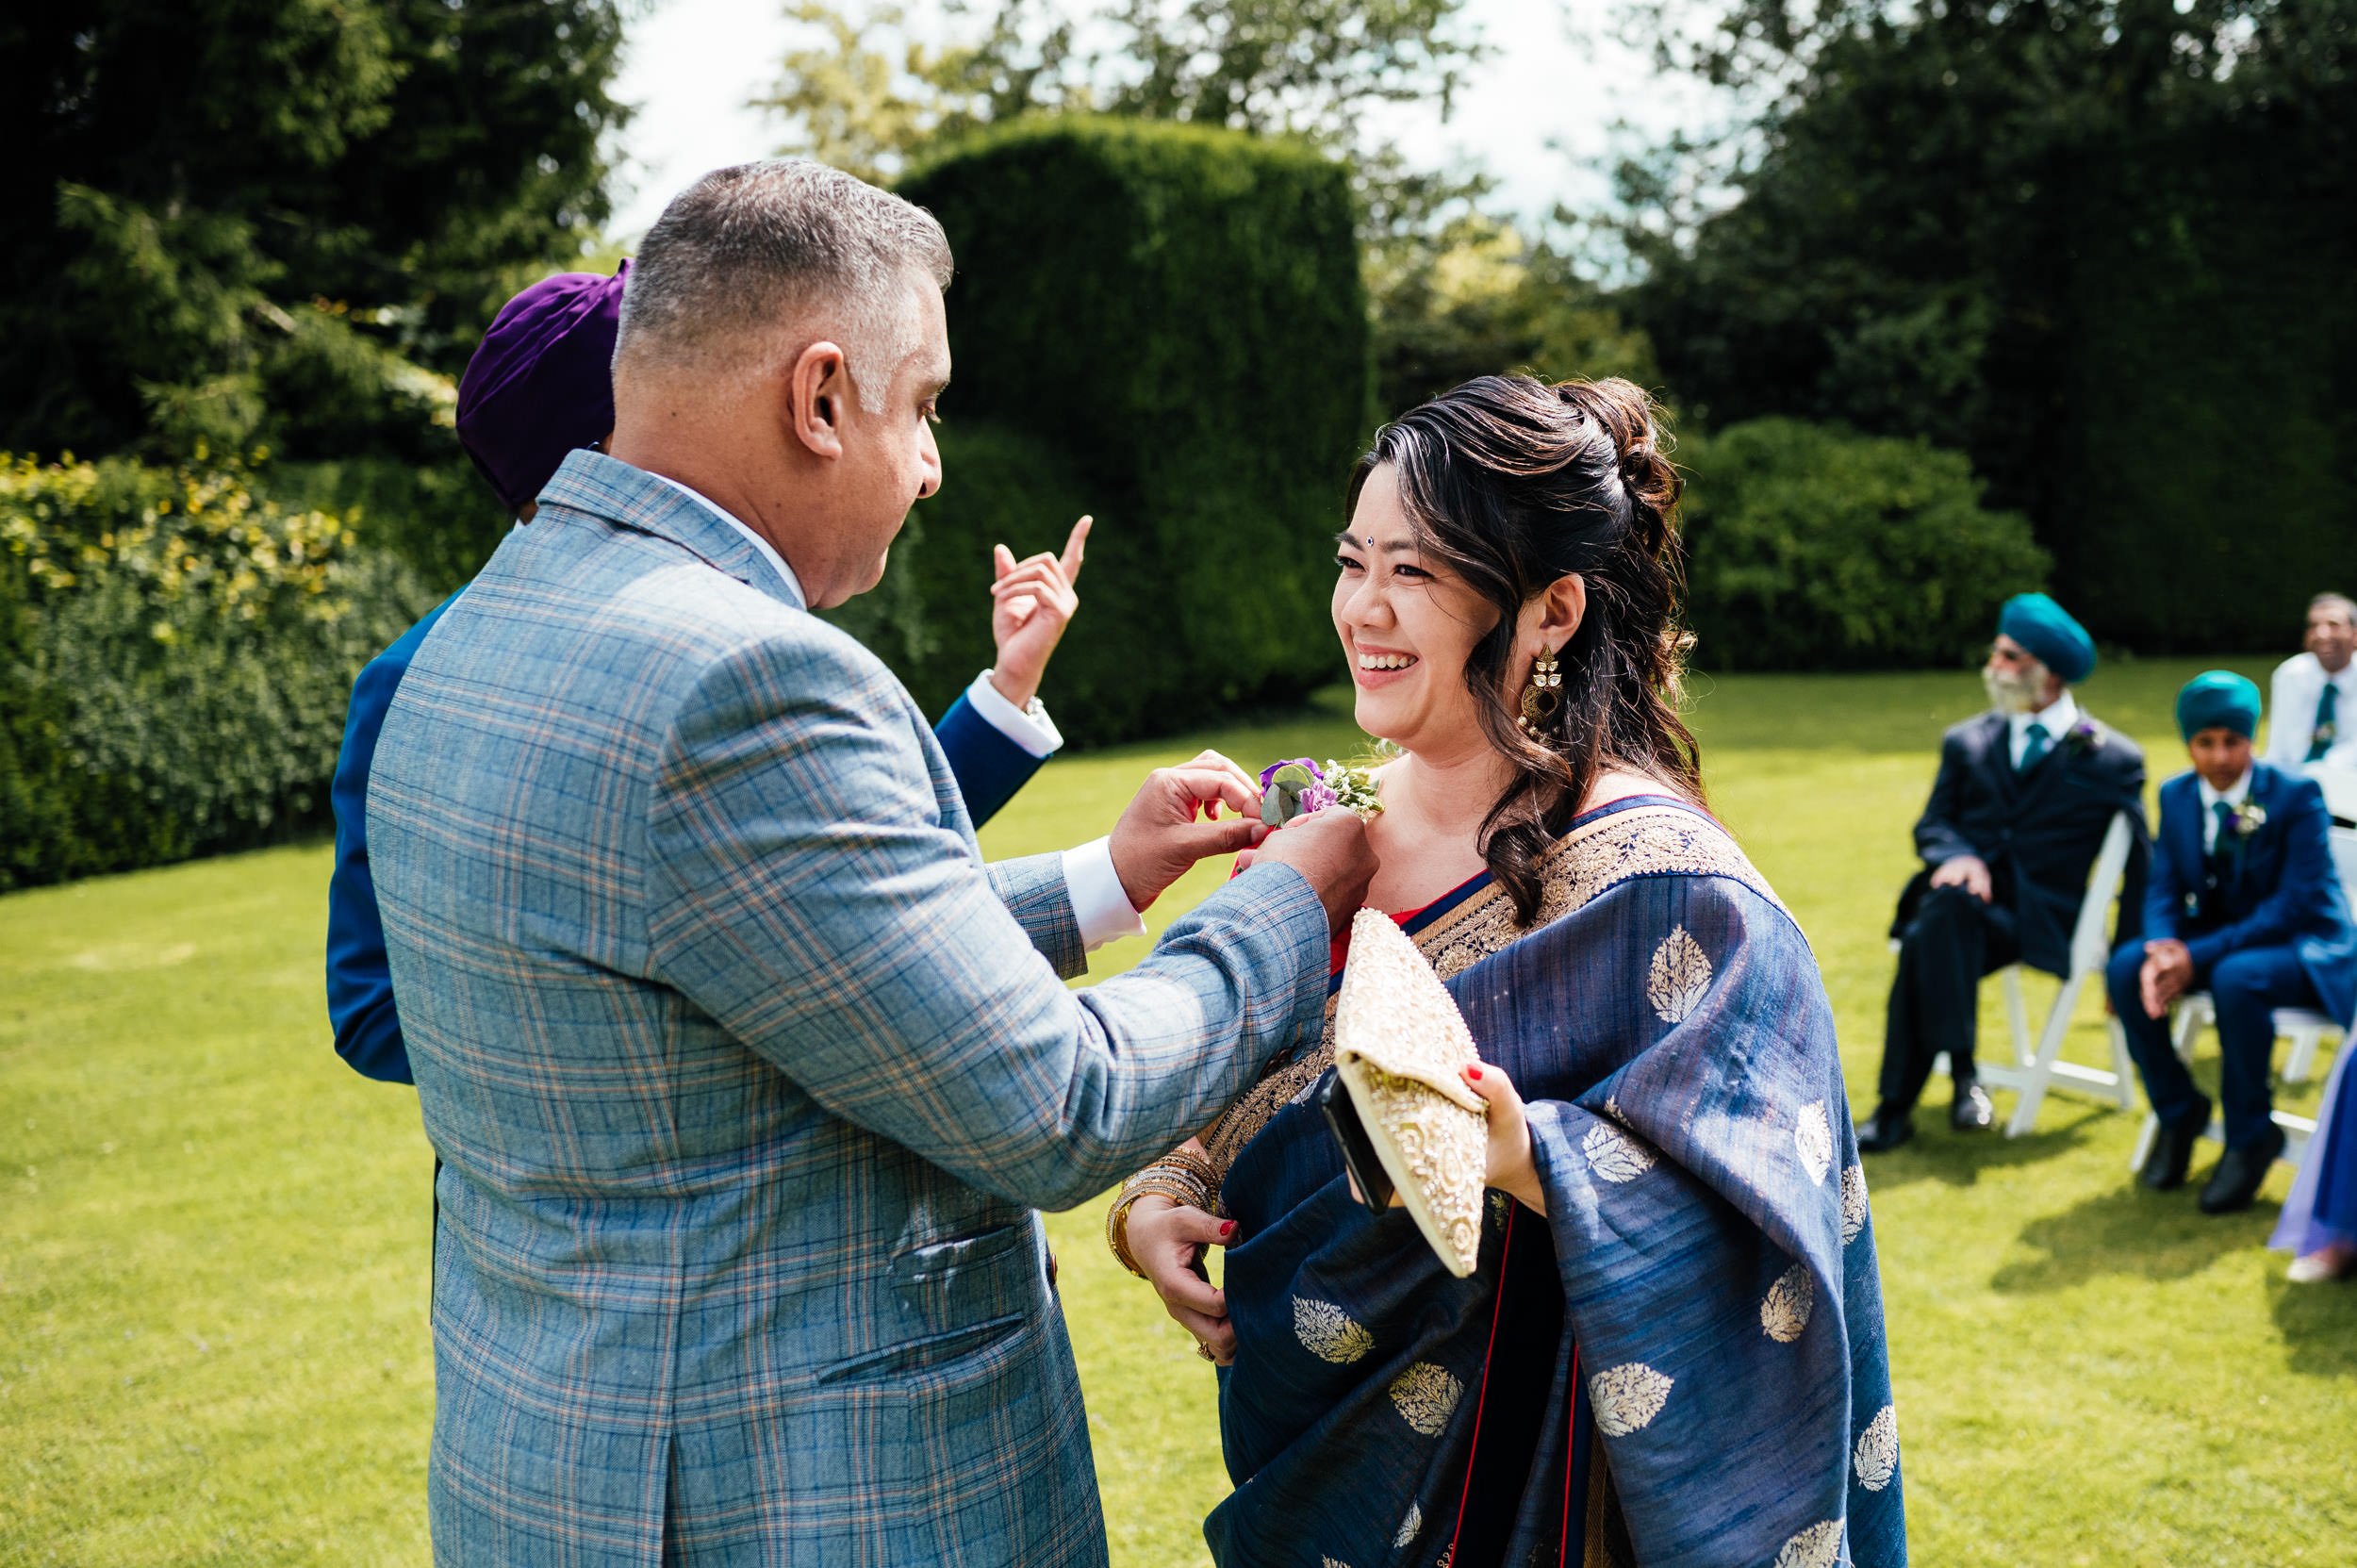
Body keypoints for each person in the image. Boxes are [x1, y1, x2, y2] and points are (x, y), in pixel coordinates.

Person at [364, 160, 1378, 1566]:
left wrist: (1109, 877)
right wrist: (1287, 904)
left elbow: (761, 958)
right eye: (927, 404)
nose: (935, 459)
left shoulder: (476, 636)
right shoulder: (747, 677)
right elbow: (1058, 1103)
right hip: (795, 1495)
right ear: (822, 395)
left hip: (555, 1462)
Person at [1113, 377, 1904, 1567]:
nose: (1362, 609)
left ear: (1552, 609)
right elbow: (1240, 1074)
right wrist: (1158, 1194)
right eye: (1352, 561)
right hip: (1311, 1457)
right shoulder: (1321, 831)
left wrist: (1526, 1156)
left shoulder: (1667, 888)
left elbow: (1762, 1222)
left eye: (1415, 573)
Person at [327, 264, 1090, 1085]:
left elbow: (837, 866)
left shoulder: (731, 603)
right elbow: (372, 1008)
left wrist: (1009, 695)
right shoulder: (414, 677)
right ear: (627, 427)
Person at [1854, 594, 2149, 1153]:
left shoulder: (2112, 758)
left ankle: (1905, 1105)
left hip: (2044, 921)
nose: (1994, 666)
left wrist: (2127, 961)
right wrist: (1958, 857)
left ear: (2049, 673)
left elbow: (2140, 867)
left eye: (2010, 657)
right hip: (1967, 913)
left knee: (1927, 935)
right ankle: (1958, 1079)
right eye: (1996, 653)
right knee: (1942, 910)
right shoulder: (1967, 741)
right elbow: (1933, 825)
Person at [2109, 672, 2357, 1213]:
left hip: (2305, 944)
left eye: (2233, 742)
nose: (2221, 757)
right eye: (2206, 743)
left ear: (2252, 740)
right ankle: (2178, 1114)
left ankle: (2250, 1135)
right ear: (2188, 744)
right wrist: (2162, 948)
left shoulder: (2294, 795)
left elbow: (2293, 903)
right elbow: (2164, 884)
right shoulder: (2176, 795)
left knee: (2236, 977)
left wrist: (2193, 955)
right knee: (2127, 967)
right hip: (2223, 941)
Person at [2263, 592, 2357, 771]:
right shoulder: (2289, 675)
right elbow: (2278, 747)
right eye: (2314, 626)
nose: (2322, 634)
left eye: (2333, 625)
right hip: (2298, 781)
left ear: (2355, 635)